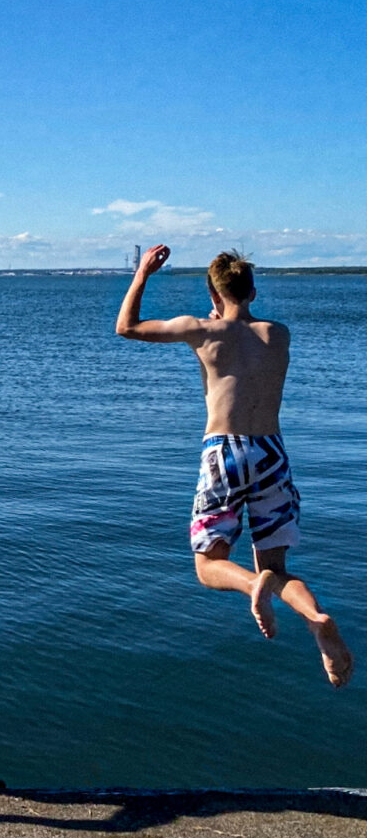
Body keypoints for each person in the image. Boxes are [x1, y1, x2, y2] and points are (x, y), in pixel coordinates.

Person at [116, 245, 353, 687]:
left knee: (208, 566)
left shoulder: (204, 331)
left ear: (212, 291)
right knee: (277, 569)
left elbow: (126, 326)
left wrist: (143, 273)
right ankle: (316, 617)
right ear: (253, 291)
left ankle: (251, 589)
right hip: (271, 452)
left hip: (224, 452)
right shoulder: (277, 334)